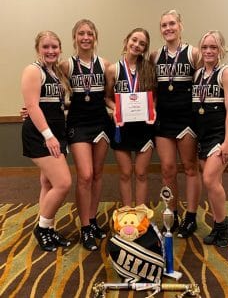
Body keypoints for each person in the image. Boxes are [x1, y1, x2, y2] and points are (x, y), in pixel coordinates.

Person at [60, 19, 112, 251]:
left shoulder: (104, 64)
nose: (85, 37)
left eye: (89, 33)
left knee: (98, 174)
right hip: (78, 124)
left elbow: (109, 96)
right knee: (85, 175)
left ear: (95, 37)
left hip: (101, 123)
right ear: (74, 37)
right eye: (81, 33)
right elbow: (52, 92)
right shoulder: (66, 65)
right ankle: (84, 228)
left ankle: (92, 221)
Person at [150, 10, 201, 237]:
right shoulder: (154, 56)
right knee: (168, 169)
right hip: (163, 120)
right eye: (164, 25)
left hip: (186, 120)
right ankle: (172, 213)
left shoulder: (194, 53)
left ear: (180, 25)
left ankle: (191, 216)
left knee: (190, 168)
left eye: (172, 23)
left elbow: (206, 81)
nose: (168, 28)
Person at [21, 31, 72, 252]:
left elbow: (54, 104)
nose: (51, 51)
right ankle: (42, 228)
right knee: (63, 183)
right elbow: (32, 106)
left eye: (54, 47)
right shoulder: (33, 70)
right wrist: (48, 136)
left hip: (57, 132)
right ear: (38, 49)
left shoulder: (56, 72)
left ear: (60, 49)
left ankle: (48, 227)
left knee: (48, 183)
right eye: (46, 47)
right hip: (42, 136)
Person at [192, 30, 228, 247]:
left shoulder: (226, 73)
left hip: (220, 135)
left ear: (221, 49)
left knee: (210, 179)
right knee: (215, 183)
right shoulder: (197, 74)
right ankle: (218, 223)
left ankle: (223, 224)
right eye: (205, 47)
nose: (209, 51)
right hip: (202, 135)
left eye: (213, 47)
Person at [105, 28, 156, 207]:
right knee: (125, 173)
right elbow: (106, 97)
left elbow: (155, 96)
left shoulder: (149, 68)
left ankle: (141, 212)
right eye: (134, 40)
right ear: (126, 40)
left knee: (141, 173)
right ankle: (127, 211)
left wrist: (153, 108)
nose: (137, 45)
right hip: (122, 126)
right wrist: (116, 107)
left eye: (142, 44)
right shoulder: (113, 69)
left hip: (144, 127)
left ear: (145, 48)